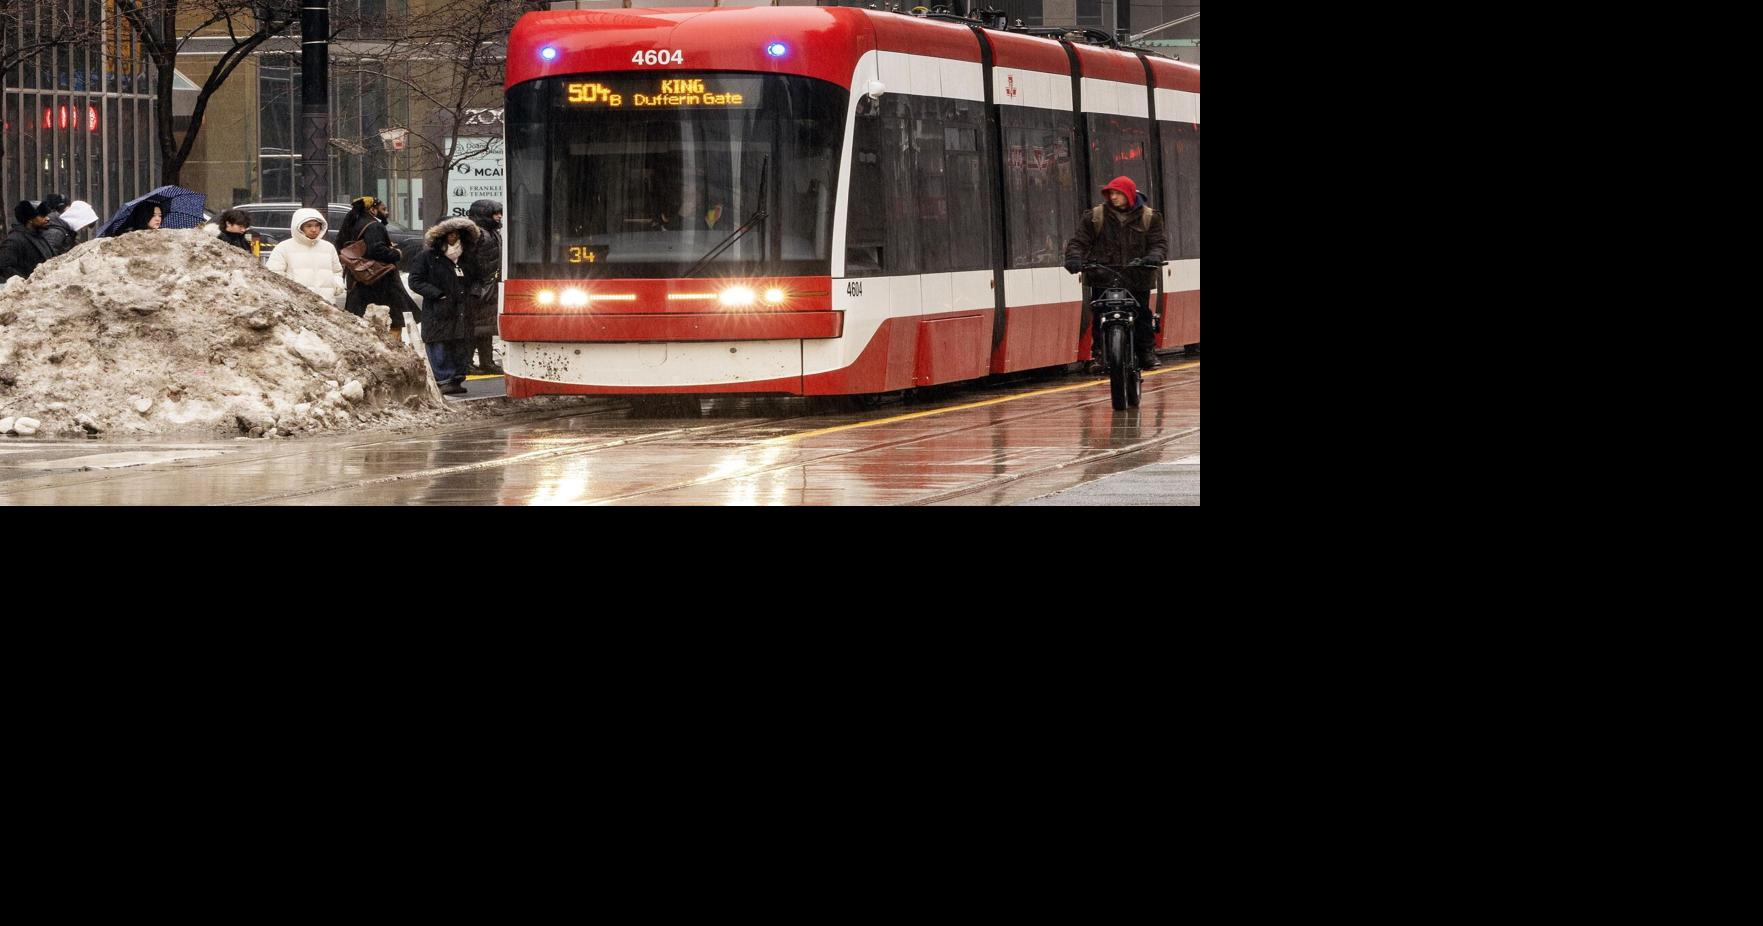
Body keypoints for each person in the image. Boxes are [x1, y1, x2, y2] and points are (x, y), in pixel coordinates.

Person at [1063, 175, 1167, 371]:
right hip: (1102, 276)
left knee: (1142, 313)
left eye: (1118, 193)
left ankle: (1146, 352)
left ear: (1128, 194)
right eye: (1111, 193)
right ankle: (1100, 354)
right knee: (1100, 312)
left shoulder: (1150, 217)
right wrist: (1074, 258)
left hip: (1138, 276)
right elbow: (1078, 242)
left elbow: (1158, 244)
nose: (1113, 197)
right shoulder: (1095, 216)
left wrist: (1154, 257)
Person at [407, 216, 481, 396]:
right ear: (442, 236)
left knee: (459, 343)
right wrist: (437, 294)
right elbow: (415, 280)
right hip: (438, 309)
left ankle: (456, 377)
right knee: (440, 343)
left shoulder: (467, 257)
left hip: (463, 309)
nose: (453, 237)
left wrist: (474, 294)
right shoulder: (428, 257)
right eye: (450, 234)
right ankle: (443, 378)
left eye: (456, 234)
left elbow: (478, 278)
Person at [337, 195, 418, 338]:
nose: (386, 213)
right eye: (383, 209)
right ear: (372, 210)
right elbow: (376, 250)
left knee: (362, 322)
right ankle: (392, 348)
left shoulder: (354, 224)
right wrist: (395, 253)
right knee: (393, 318)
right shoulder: (374, 226)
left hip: (359, 278)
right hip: (379, 281)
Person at [266, 208, 344, 305]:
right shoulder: (283, 248)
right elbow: (274, 275)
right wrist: (290, 292)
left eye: (317, 225)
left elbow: (337, 272)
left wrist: (337, 285)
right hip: (297, 306)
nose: (314, 229)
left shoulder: (328, 247)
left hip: (327, 305)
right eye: (309, 226)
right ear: (299, 227)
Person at [465, 199, 504, 374]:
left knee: (485, 327)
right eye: (495, 213)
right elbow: (470, 261)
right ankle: (467, 362)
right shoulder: (478, 234)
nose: (499, 216)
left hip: (488, 286)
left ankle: (486, 361)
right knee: (474, 326)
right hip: (479, 287)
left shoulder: (492, 232)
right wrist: (477, 282)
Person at [0, 201, 56, 281]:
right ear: (30, 219)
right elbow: (4, 267)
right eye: (42, 216)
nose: (47, 218)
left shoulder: (39, 236)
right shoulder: (14, 241)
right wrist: (27, 283)